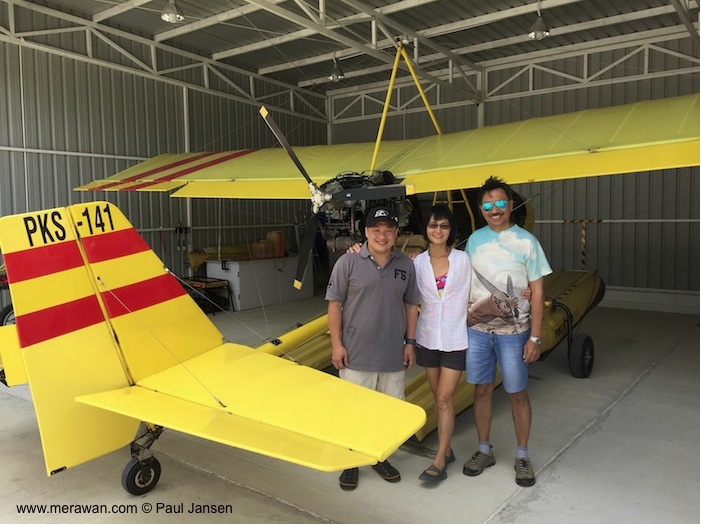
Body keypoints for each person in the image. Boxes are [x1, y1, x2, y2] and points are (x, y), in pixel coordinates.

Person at [463, 175, 552, 488]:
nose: (494, 208)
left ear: (512, 205)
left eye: (501, 202)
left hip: (515, 334)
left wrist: (536, 337)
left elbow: (538, 292)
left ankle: (522, 455)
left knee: (517, 393)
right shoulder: (474, 240)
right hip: (477, 332)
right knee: (482, 390)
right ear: (481, 209)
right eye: (487, 204)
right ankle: (484, 449)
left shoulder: (527, 242)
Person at [325, 205, 421, 492]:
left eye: (388, 230)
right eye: (376, 230)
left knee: (389, 411)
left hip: (393, 353)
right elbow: (334, 305)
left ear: (396, 233)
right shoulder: (348, 263)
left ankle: (379, 457)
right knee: (353, 410)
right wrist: (337, 344)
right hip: (356, 353)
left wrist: (410, 343)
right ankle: (351, 461)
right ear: (366, 232)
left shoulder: (406, 265)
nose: (382, 235)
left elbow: (411, 306)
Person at [413, 205, 471, 484]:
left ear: (451, 230)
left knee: (446, 398)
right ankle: (447, 450)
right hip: (427, 339)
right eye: (433, 225)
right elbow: (409, 301)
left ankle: (439, 460)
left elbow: (483, 289)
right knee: (438, 398)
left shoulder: (463, 260)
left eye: (444, 226)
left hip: (455, 338)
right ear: (425, 228)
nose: (438, 231)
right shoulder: (416, 263)